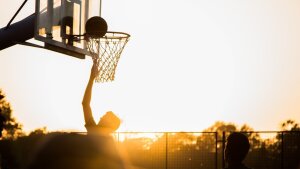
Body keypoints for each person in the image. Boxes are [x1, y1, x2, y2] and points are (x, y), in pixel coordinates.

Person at [82, 61, 121, 135]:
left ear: (108, 123)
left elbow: (85, 104)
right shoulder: (108, 142)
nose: (100, 118)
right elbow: (85, 104)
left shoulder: (94, 130)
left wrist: (91, 78)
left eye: (103, 118)